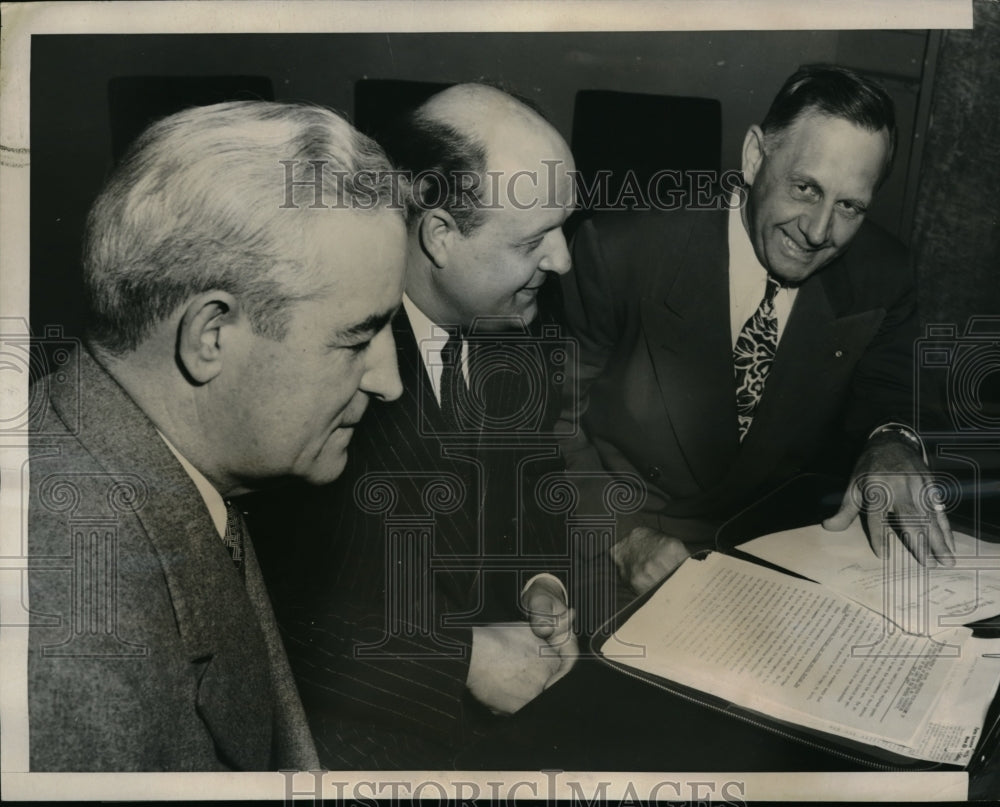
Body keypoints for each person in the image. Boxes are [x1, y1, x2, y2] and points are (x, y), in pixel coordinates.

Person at [27, 100, 407, 771]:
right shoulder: (74, 648)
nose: (389, 381)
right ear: (211, 336)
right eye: (358, 337)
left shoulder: (174, 453)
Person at [246, 83, 579, 768]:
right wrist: (456, 662)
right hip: (354, 725)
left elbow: (535, 483)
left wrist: (539, 581)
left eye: (565, 227)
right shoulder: (318, 362)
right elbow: (261, 613)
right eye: (535, 239)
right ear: (439, 237)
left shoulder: (511, 324)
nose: (563, 260)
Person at [560, 64, 955, 600]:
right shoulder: (622, 251)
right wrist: (622, 536)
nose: (818, 231)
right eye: (804, 187)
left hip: (776, 547)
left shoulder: (882, 274)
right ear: (753, 157)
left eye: (849, 206)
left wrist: (892, 442)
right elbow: (546, 418)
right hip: (622, 543)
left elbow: (894, 387)